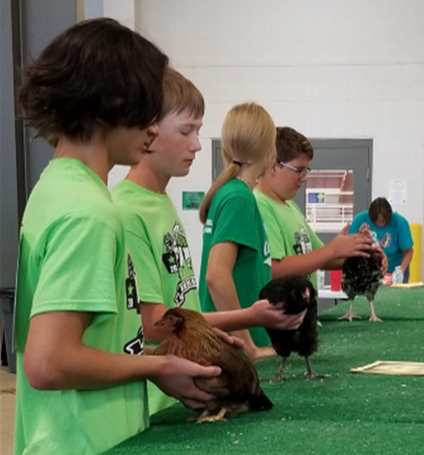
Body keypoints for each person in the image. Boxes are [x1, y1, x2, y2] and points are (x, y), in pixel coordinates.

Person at [14, 19, 222, 455]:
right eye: (146, 110)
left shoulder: (57, 187)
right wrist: (158, 365)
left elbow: (99, 336)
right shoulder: (90, 213)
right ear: (111, 104)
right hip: (85, 441)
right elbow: (49, 362)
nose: (152, 128)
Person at [111, 69, 305, 415]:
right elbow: (152, 321)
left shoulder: (160, 202)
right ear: (148, 129)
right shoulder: (129, 210)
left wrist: (216, 340)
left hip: (184, 392)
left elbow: (182, 307)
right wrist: (246, 319)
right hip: (159, 399)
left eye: (199, 131)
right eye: (187, 131)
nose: (198, 144)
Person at [254, 126, 385, 289]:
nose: (304, 178)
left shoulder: (290, 206)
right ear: (273, 166)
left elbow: (322, 257)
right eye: (299, 170)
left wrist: (364, 255)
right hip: (283, 312)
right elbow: (274, 269)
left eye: (306, 170)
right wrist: (333, 249)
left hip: (304, 310)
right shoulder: (260, 206)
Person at [199, 102, 279, 359]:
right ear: (269, 150)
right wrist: (247, 344)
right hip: (233, 350)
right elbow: (216, 275)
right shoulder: (238, 198)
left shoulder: (231, 193)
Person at [349, 197, 413, 283]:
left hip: (393, 273)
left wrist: (400, 271)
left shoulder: (400, 222)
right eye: (377, 221)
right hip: (367, 271)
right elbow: (348, 247)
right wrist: (358, 235)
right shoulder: (360, 220)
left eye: (384, 221)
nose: (380, 223)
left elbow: (408, 251)